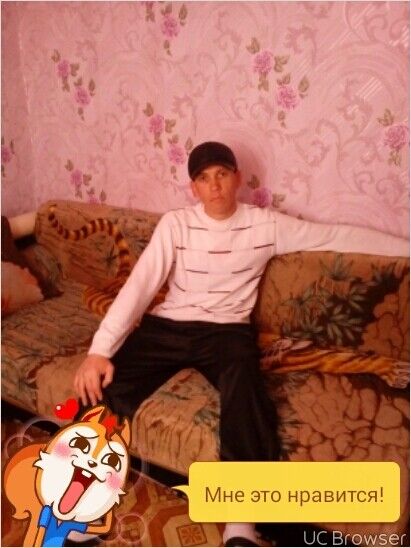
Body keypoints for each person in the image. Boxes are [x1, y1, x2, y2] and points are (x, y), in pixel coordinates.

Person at [74, 141, 409, 547]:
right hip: (169, 327)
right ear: (193, 188)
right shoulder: (176, 224)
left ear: (237, 178)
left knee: (247, 397)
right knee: (104, 385)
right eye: (203, 179)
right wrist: (99, 350)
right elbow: (139, 287)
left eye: (221, 175)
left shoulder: (266, 225)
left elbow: (336, 235)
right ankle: (82, 501)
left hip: (227, 332)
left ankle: (240, 524)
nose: (214, 186)